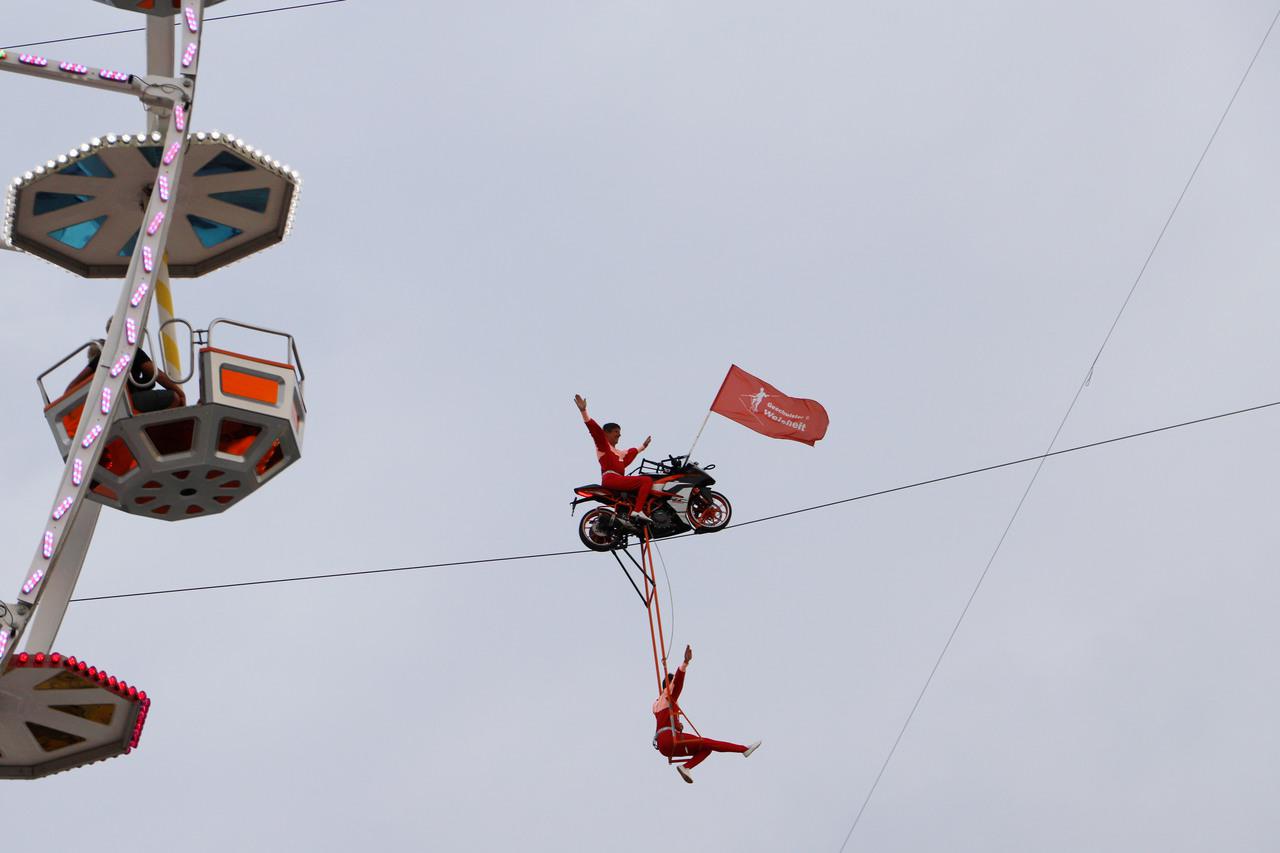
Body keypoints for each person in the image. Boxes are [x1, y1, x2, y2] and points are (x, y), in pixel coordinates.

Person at [653, 644, 760, 784]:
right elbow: (677, 684)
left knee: (706, 748)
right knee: (709, 743)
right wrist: (685, 662)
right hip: (669, 739)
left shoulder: (657, 704)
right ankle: (743, 749)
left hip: (663, 746)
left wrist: (677, 725)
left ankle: (686, 767)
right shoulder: (668, 695)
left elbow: (665, 720)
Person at [65, 319, 187, 413]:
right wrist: (180, 392)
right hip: (127, 402)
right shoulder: (132, 352)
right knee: (174, 398)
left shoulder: (101, 360)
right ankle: (160, 430)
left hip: (106, 406)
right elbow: (156, 374)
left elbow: (71, 387)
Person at [574, 394, 655, 524]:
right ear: (606, 433)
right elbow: (595, 432)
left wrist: (643, 446)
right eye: (616, 431)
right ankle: (637, 511)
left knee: (640, 486)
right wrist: (584, 411)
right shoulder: (603, 446)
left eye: (619, 431)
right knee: (646, 481)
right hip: (611, 479)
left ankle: (629, 516)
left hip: (617, 479)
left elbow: (631, 453)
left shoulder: (619, 454)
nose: (619, 434)